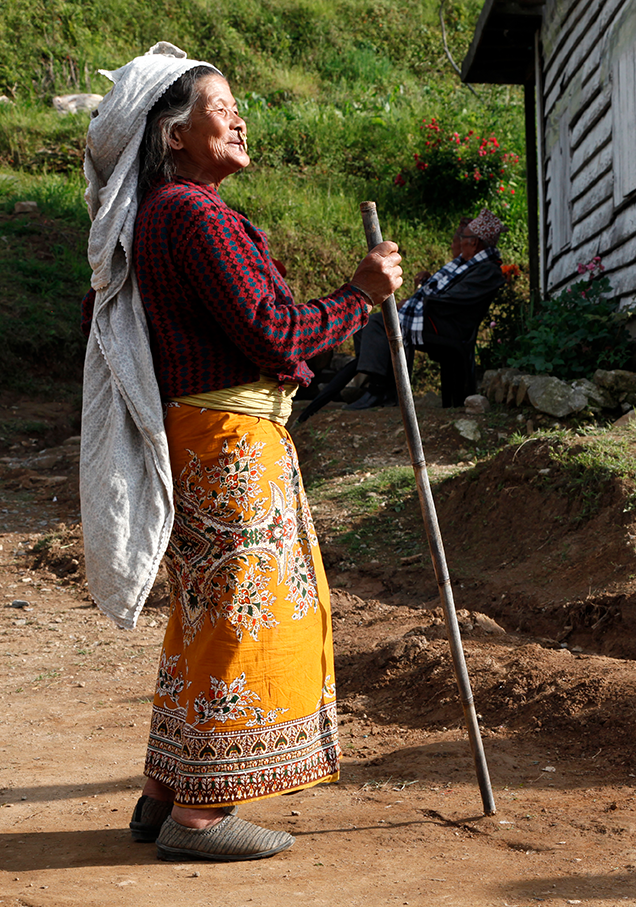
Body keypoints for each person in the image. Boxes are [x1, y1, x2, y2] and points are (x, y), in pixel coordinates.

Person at [79, 43, 402, 862]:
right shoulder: (192, 214)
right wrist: (359, 296)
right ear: (174, 135)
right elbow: (271, 333)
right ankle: (200, 815)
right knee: (244, 612)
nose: (240, 118)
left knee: (200, 612)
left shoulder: (166, 216)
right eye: (222, 109)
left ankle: (163, 794)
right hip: (229, 443)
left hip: (205, 434)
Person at [345, 208, 505, 409]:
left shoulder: (486, 270)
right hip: (440, 319)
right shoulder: (474, 265)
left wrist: (425, 298)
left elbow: (456, 298)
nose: (459, 242)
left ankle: (378, 391)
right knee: (371, 325)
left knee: (377, 324)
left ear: (473, 242)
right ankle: (374, 386)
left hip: (446, 326)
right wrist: (428, 286)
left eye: (463, 237)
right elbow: (453, 291)